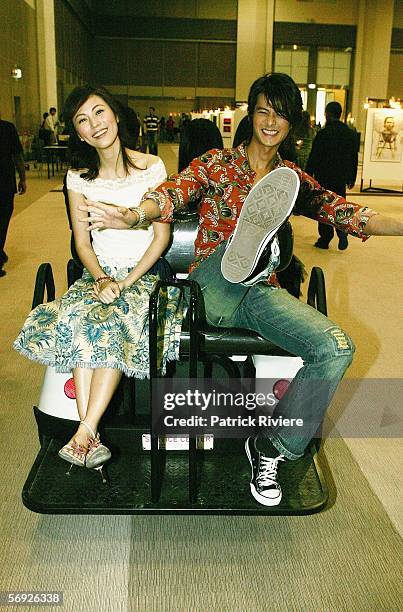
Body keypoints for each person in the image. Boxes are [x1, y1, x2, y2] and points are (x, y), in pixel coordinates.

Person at [77, 73, 403, 507]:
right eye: (264, 110)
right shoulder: (217, 163)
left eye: (281, 115)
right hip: (209, 285)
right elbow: (172, 194)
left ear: (292, 124)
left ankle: (269, 447)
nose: (271, 122)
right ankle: (242, 249)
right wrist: (136, 214)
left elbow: (350, 214)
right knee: (230, 265)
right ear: (252, 114)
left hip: (259, 292)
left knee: (337, 347)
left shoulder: (292, 179)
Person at [14, 85, 183, 471]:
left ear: (116, 114)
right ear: (77, 132)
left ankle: (85, 430)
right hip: (99, 274)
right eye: (83, 120)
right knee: (77, 318)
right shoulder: (79, 178)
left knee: (113, 322)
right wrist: (103, 279)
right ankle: (89, 436)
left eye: (99, 112)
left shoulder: (152, 166)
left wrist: (125, 283)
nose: (95, 125)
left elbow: (162, 237)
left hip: (145, 273)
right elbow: (82, 242)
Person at [306, 101, 358, 250]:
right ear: (340, 114)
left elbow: (314, 157)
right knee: (340, 205)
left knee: (324, 207)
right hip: (341, 178)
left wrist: (309, 176)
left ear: (327, 114)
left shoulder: (323, 134)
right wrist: (351, 177)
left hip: (324, 177)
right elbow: (353, 157)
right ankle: (342, 232)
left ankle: (325, 239)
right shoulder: (349, 134)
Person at [0, 111, 27, 277]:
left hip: (5, 181)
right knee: (2, 221)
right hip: (4, 181)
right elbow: (17, 155)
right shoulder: (7, 128)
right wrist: (23, 178)